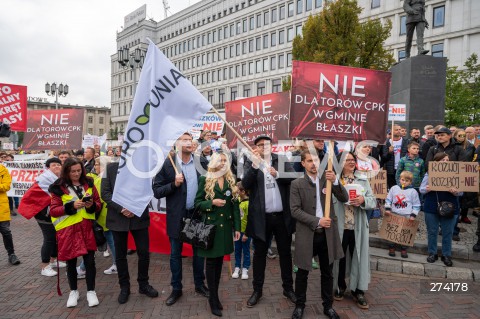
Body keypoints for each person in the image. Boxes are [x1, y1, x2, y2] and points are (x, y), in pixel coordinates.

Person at [152, 132, 209, 306]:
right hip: (177, 216)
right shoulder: (168, 165)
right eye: (184, 139)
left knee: (199, 254)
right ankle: (176, 289)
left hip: (196, 215)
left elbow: (210, 185)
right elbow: (157, 190)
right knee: (175, 255)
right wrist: (173, 185)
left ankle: (200, 285)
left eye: (190, 139)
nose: (189, 142)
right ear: (176, 143)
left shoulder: (201, 162)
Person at [290, 150, 348, 319]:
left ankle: (328, 306)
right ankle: (299, 305)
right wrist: (317, 221)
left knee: (327, 272)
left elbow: (344, 197)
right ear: (303, 163)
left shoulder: (327, 180)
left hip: (327, 235)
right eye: (309, 161)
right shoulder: (297, 184)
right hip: (308, 234)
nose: (313, 164)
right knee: (302, 272)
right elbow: (294, 210)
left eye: (316, 160)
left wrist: (335, 180)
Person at [242, 135, 296, 308]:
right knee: (259, 255)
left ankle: (288, 288)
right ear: (255, 148)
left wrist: (278, 174)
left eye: (266, 144)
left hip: (281, 217)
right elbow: (245, 184)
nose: (263, 147)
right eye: (259, 145)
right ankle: (257, 290)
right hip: (261, 219)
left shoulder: (280, 160)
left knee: (285, 254)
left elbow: (293, 178)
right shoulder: (251, 162)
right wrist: (254, 166)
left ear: (272, 146)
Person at [102, 161, 158, 304]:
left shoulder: (142, 168)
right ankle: (124, 287)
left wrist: (134, 208)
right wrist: (121, 209)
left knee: (144, 253)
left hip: (138, 217)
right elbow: (105, 193)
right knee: (120, 256)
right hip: (118, 219)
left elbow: (148, 191)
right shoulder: (110, 168)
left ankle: (143, 284)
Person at [49, 158, 102, 308]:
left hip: (86, 228)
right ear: (66, 171)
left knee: (90, 261)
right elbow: (53, 210)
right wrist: (71, 206)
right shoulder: (57, 187)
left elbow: (98, 204)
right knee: (71, 262)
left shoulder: (89, 182)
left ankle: (91, 291)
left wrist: (92, 205)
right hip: (68, 230)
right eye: (73, 171)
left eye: (79, 170)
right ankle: (74, 291)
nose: (77, 174)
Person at [194, 152, 241, 317]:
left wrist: (237, 227)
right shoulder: (205, 179)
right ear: (213, 162)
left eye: (224, 160)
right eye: (219, 160)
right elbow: (197, 203)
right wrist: (211, 203)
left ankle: (214, 296)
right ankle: (213, 299)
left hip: (225, 229)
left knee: (219, 264)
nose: (222, 162)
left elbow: (235, 206)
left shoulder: (230, 179)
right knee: (212, 265)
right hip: (211, 229)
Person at [332, 151, 376, 310]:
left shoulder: (363, 179)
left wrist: (363, 200)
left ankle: (359, 290)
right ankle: (340, 286)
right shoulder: (334, 181)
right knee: (340, 257)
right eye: (347, 160)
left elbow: (373, 200)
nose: (351, 162)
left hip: (357, 226)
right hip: (340, 226)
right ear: (340, 163)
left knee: (359, 257)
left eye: (353, 159)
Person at [420, 152, 462, 267]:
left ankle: (446, 255)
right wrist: (427, 188)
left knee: (447, 232)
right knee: (432, 232)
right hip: (432, 206)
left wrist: (456, 191)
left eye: (447, 160)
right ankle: (432, 253)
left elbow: (462, 191)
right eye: (442, 160)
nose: (445, 162)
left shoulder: (455, 173)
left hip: (450, 206)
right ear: (436, 162)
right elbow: (421, 189)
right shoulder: (429, 173)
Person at [27, 158, 66, 276]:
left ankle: (53, 260)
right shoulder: (43, 179)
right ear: (48, 168)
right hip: (43, 213)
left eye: (59, 165)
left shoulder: (59, 179)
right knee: (49, 238)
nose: (57, 167)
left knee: (55, 236)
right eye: (54, 165)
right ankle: (44, 266)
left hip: (51, 213)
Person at [385, 171, 421, 258]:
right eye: (402, 180)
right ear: (399, 179)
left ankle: (404, 248)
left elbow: (416, 205)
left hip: (407, 215)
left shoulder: (413, 192)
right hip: (394, 213)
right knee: (392, 231)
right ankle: (391, 247)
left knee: (405, 232)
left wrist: (413, 215)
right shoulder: (394, 188)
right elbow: (388, 199)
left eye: (407, 180)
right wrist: (388, 209)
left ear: (410, 182)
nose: (404, 182)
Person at [454, 129, 476, 224]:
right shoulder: (452, 145)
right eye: (460, 135)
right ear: (455, 136)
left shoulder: (470, 146)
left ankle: (464, 215)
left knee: (466, 195)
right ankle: (455, 215)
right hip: (454, 172)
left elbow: (473, 159)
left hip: (466, 171)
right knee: (456, 193)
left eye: (463, 135)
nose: (462, 137)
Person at [0, 160, 20, 266]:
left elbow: (6, 186)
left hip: (1, 208)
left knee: (6, 232)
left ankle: (11, 254)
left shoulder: (3, 170)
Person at [232, 181, 251, 280]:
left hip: (245, 232)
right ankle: (237, 267)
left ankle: (245, 268)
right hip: (237, 231)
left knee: (246, 250)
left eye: (237, 191)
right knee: (237, 249)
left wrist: (246, 234)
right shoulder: (237, 200)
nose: (235, 192)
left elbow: (250, 220)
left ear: (243, 191)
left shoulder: (248, 204)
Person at [381, 124, 408, 189]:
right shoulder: (387, 142)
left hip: (403, 169)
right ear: (391, 131)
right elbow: (384, 158)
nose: (398, 131)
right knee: (392, 188)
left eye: (399, 130)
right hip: (391, 171)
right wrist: (389, 152)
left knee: (403, 188)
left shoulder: (406, 141)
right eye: (396, 130)